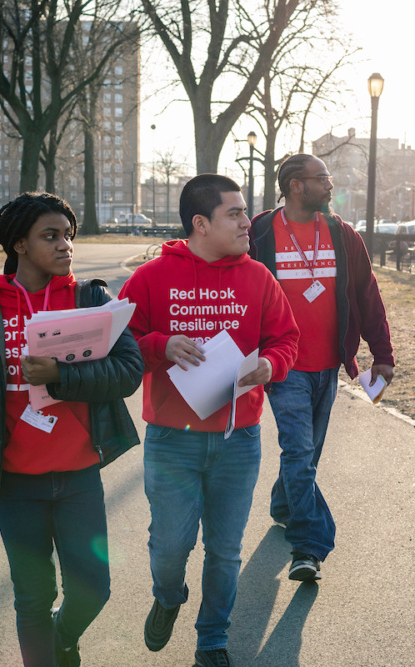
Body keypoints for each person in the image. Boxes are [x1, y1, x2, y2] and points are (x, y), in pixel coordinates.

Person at [0, 192, 143, 667]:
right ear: (19, 245)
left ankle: (63, 636)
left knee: (94, 588)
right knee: (32, 595)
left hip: (79, 476)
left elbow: (128, 373)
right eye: (50, 236)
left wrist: (60, 376)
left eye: (68, 235)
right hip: (12, 481)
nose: (64, 245)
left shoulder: (92, 299)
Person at [118, 174, 299, 667]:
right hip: (171, 441)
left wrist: (270, 365)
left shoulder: (258, 277)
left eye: (245, 211)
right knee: (171, 544)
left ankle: (212, 639)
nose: (247, 221)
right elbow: (117, 344)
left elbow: (287, 339)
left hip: (238, 440)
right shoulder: (152, 278)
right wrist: (160, 344)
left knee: (225, 550)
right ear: (200, 223)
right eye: (235, 214)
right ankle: (168, 596)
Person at [249, 153, 395, 583]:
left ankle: (283, 503)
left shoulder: (341, 234)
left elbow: (367, 294)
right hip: (282, 363)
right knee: (298, 451)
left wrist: (382, 354)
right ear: (296, 185)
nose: (330, 185)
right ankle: (308, 545)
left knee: (306, 453)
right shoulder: (260, 232)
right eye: (323, 178)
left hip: (329, 363)